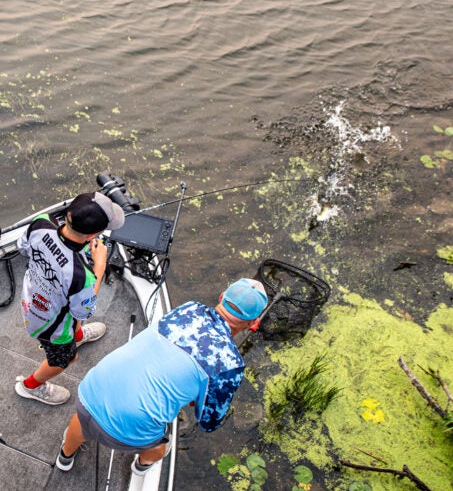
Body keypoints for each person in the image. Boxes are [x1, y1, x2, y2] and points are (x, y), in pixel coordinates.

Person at [55, 277, 267, 474]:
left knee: (84, 422)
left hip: (92, 388)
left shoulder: (189, 308)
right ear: (253, 323)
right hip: (129, 425)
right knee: (161, 448)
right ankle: (141, 466)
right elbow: (208, 422)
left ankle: (65, 456)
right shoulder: (231, 364)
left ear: (222, 297)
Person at [14, 191, 126, 405]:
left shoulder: (41, 223)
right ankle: (29, 386)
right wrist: (99, 267)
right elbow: (83, 311)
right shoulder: (82, 275)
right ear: (93, 236)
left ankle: (77, 335)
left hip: (31, 300)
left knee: (71, 318)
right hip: (50, 326)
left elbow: (23, 247)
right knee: (66, 359)